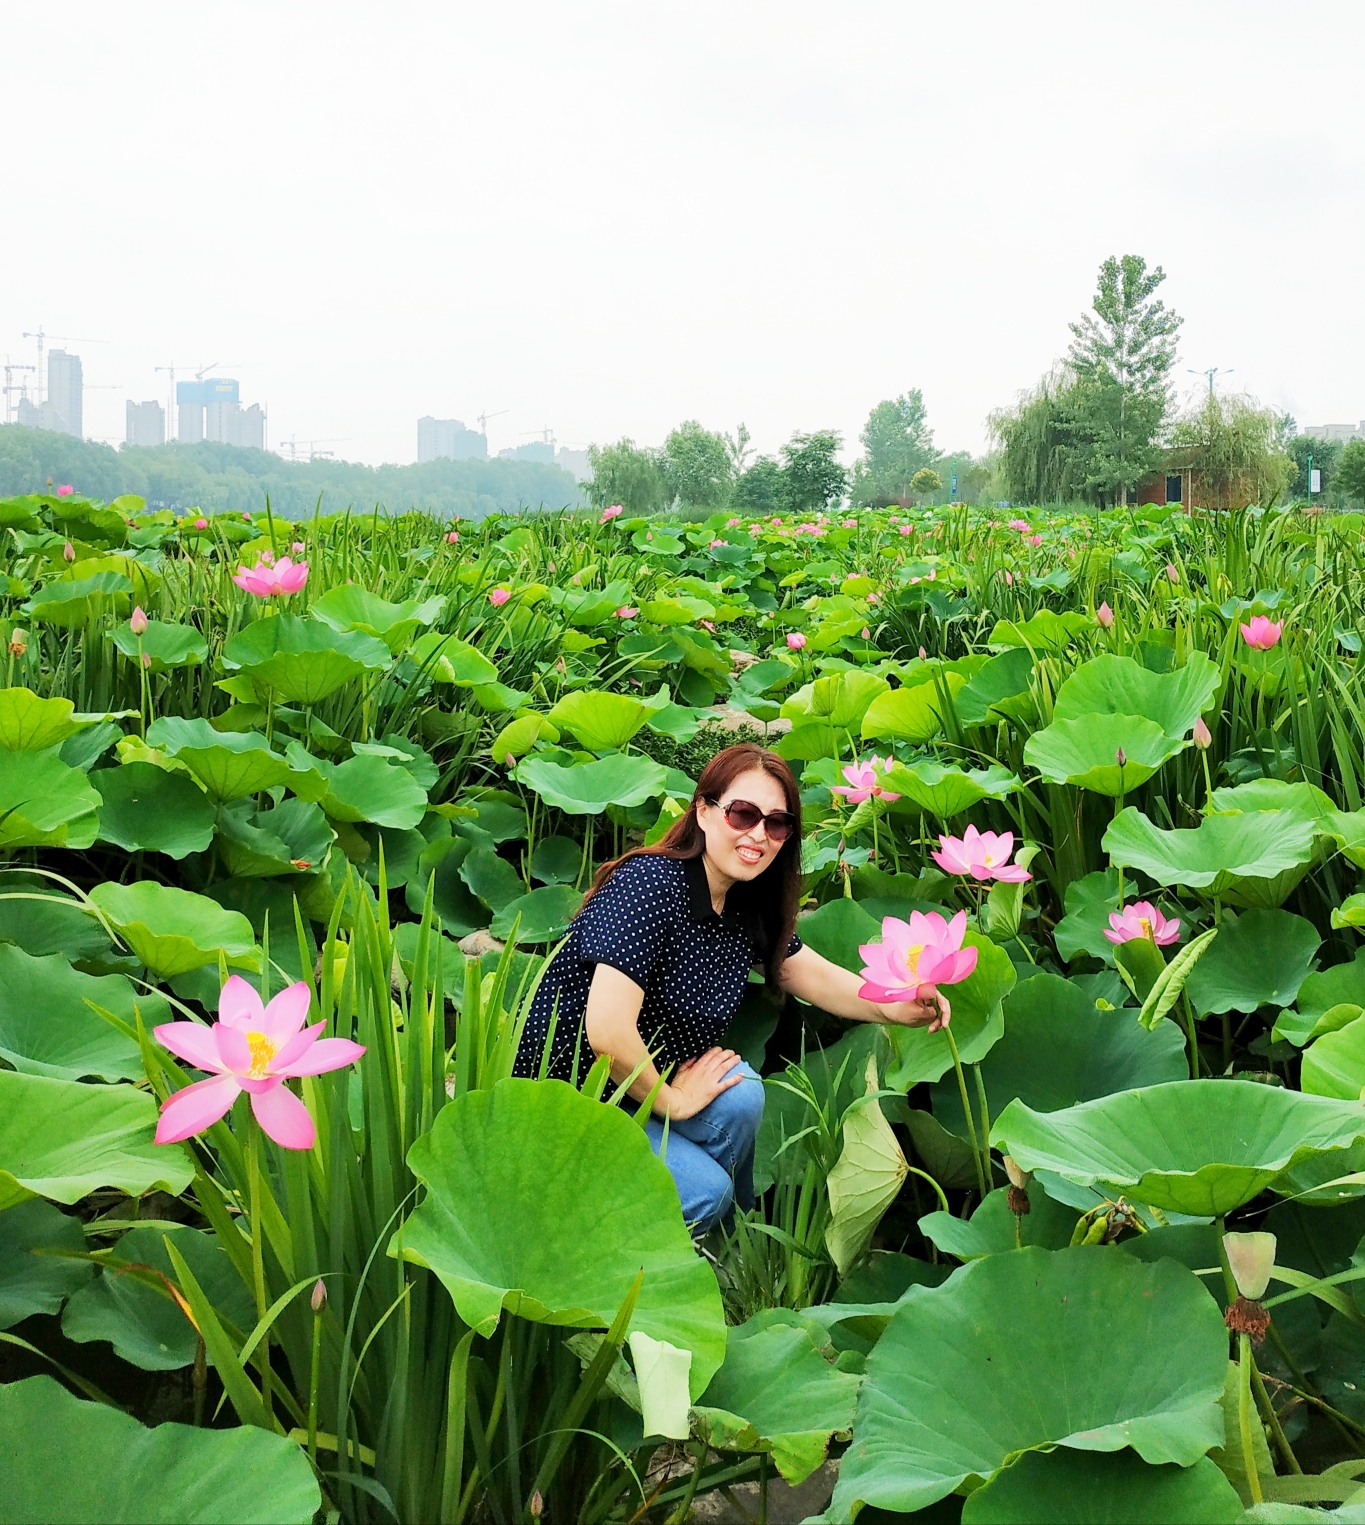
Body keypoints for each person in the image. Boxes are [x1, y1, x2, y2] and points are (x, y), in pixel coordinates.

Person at [512, 743, 950, 1234]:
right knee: (703, 1193)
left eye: (777, 823)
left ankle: (731, 1251)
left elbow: (808, 972)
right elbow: (608, 1034)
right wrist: (672, 1102)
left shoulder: (742, 901)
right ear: (703, 809)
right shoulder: (650, 884)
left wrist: (895, 1004)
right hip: (570, 1098)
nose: (759, 835)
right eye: (743, 814)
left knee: (740, 1095)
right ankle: (638, 1276)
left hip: (639, 1083)